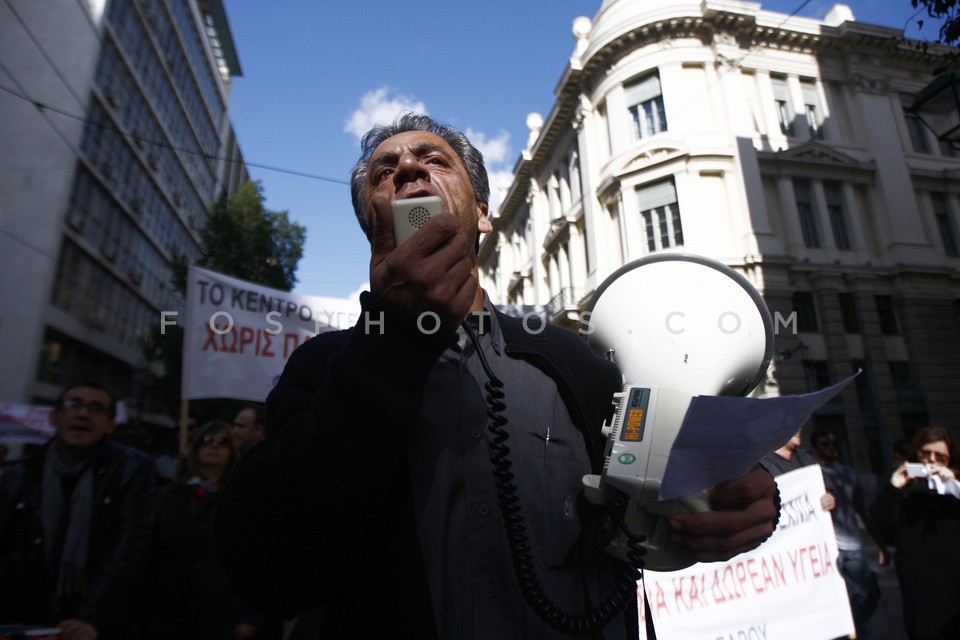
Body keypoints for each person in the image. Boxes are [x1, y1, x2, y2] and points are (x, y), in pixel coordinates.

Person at [214, 113, 779, 639]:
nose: (409, 168)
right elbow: (267, 571)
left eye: (434, 160)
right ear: (374, 226)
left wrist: (743, 494)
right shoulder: (323, 365)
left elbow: (665, 472)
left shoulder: (572, 358)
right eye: (386, 172)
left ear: (482, 213)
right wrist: (392, 339)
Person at [0, 382, 157, 640]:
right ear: (54, 417)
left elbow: (129, 549)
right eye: (73, 405)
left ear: (110, 425)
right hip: (26, 622)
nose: (83, 414)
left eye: (96, 408)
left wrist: (90, 617)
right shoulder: (20, 475)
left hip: (91, 625)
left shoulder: (131, 470)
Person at [143, 421, 264, 639]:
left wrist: (249, 614)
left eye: (222, 442)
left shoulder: (242, 500)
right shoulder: (170, 495)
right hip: (166, 610)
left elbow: (252, 559)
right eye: (207, 440)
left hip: (218, 613)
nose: (214, 446)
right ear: (195, 447)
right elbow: (148, 553)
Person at [873, 427, 960, 639]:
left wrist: (954, 483)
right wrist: (895, 487)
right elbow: (879, 518)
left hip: (954, 576)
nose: (931, 460)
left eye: (940, 456)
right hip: (919, 579)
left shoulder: (955, 485)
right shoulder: (903, 484)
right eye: (925, 453)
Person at [809, 429, 889, 640]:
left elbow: (863, 510)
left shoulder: (849, 474)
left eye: (834, 443)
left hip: (853, 545)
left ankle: (852, 628)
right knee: (834, 596)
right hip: (829, 546)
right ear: (816, 449)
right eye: (825, 444)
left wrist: (880, 545)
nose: (832, 447)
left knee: (870, 593)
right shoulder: (812, 475)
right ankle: (851, 632)